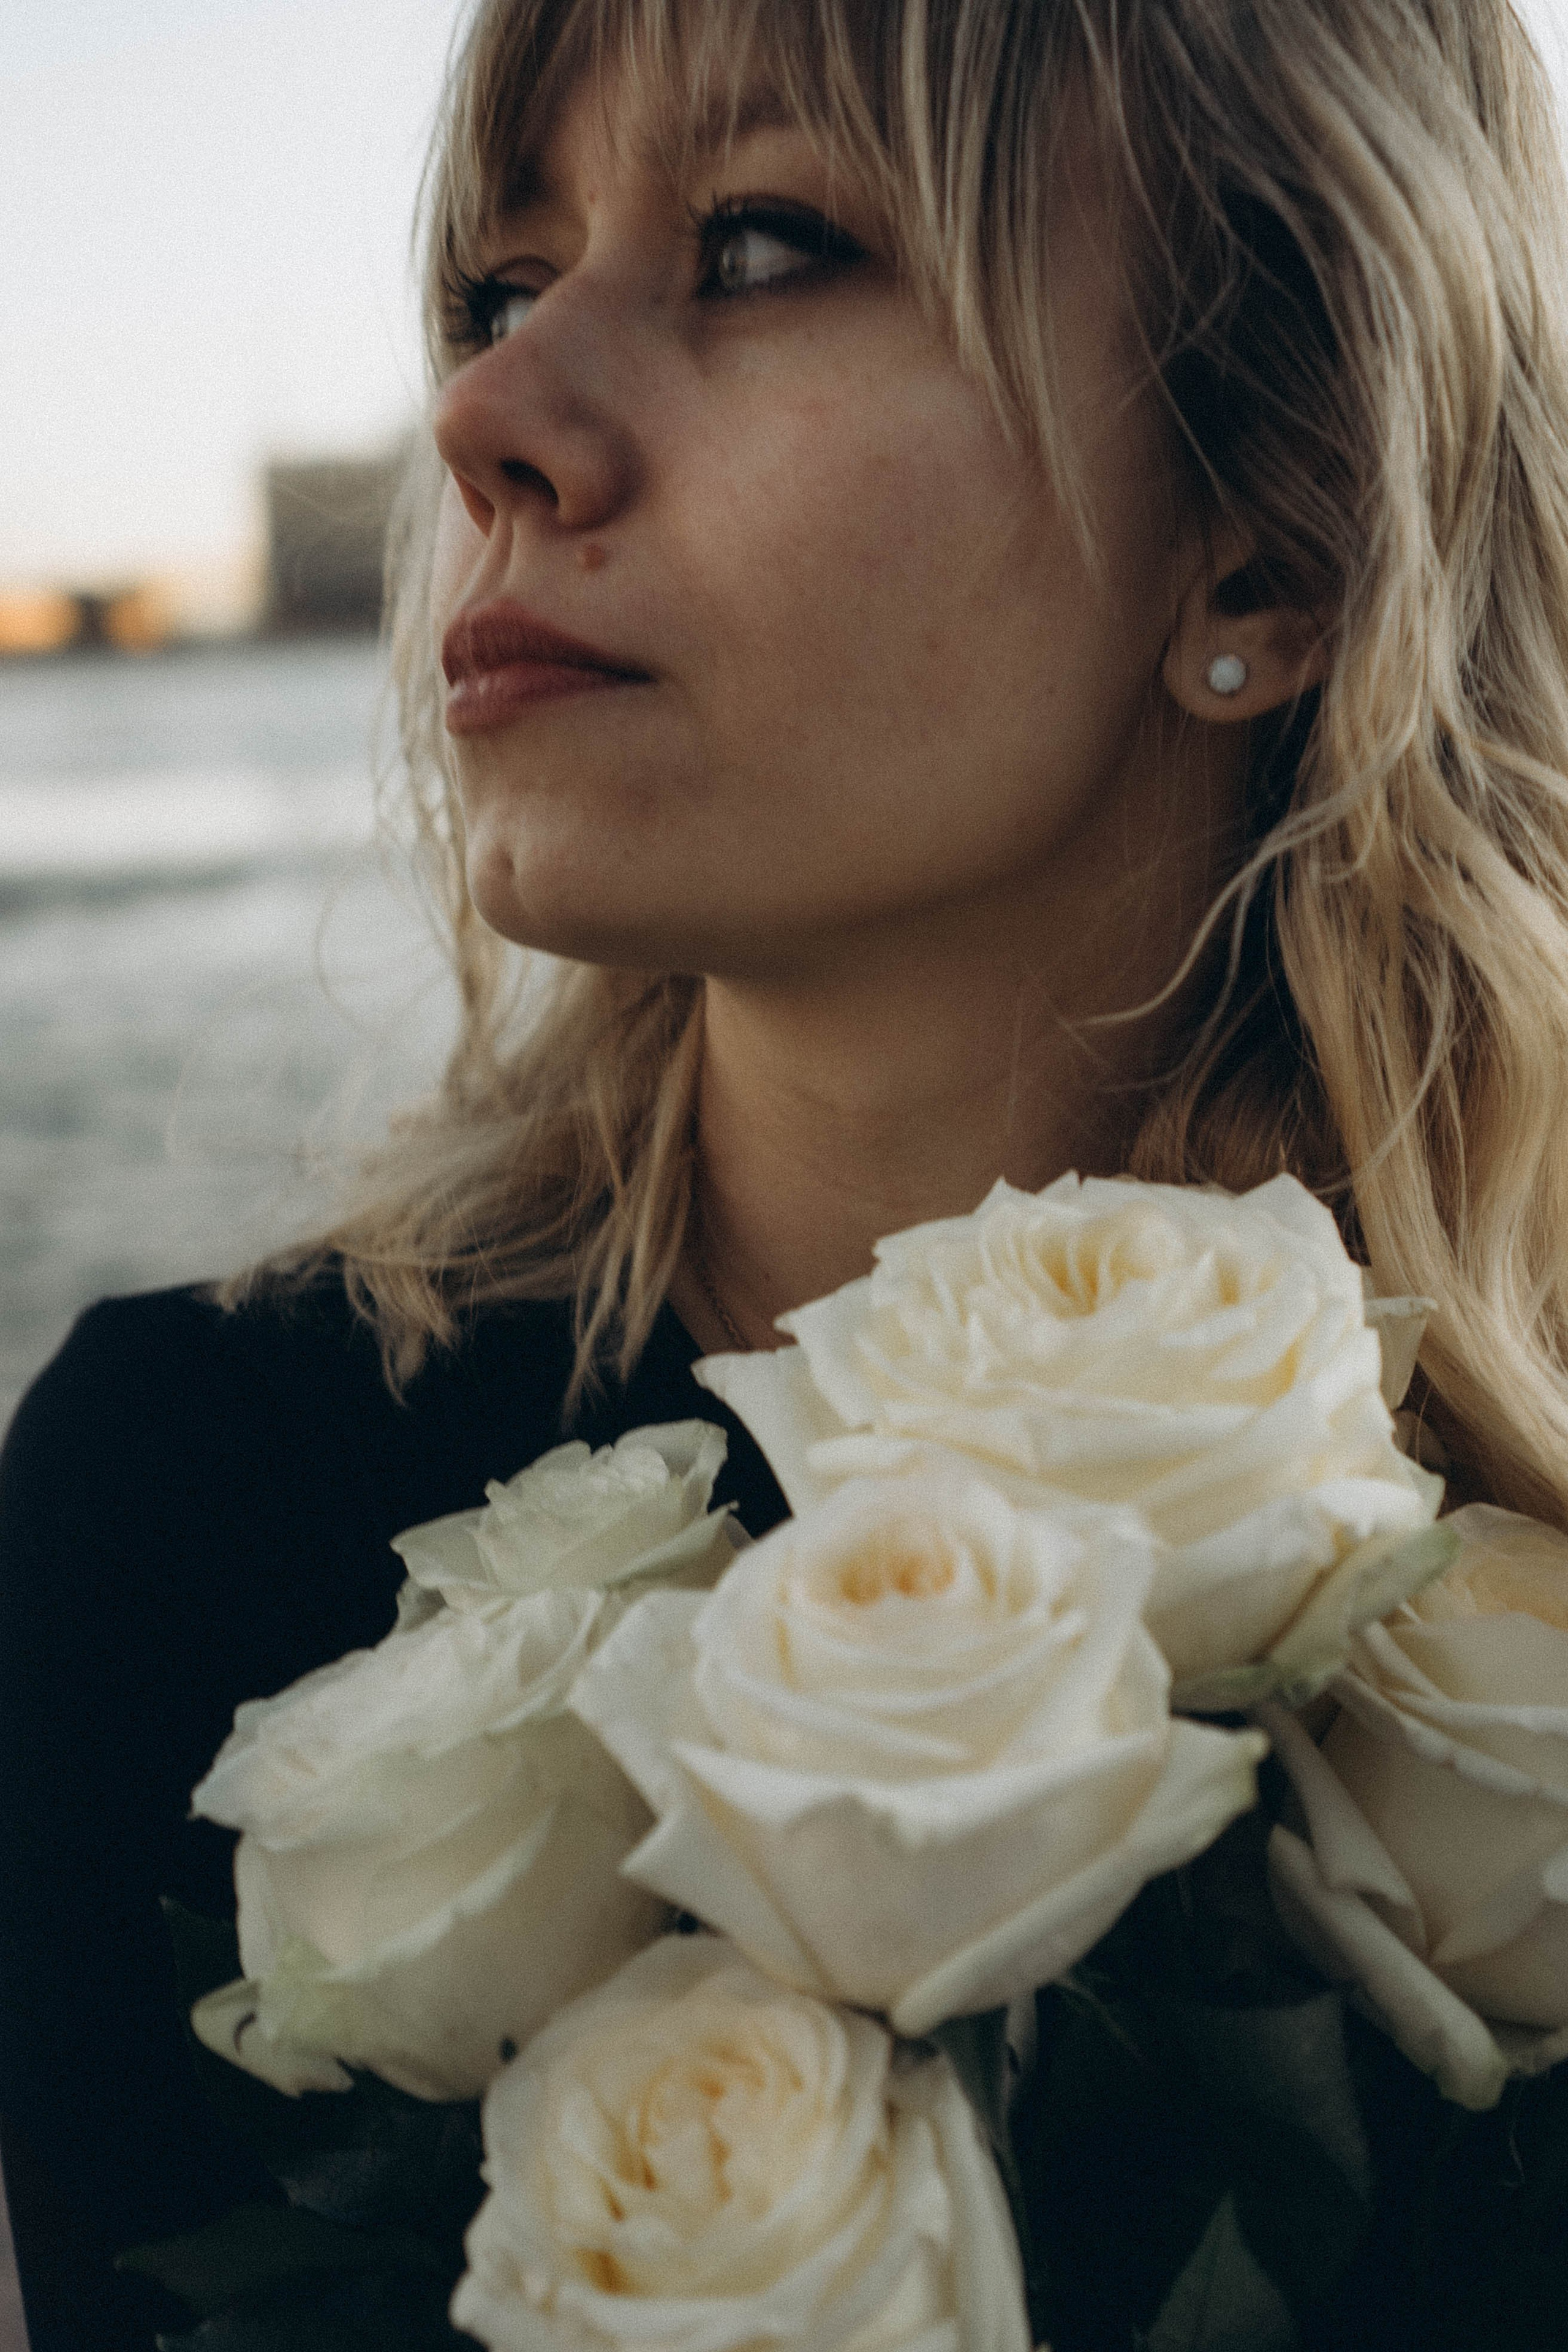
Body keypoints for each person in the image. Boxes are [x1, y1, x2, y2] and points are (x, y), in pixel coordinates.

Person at [4, 1, 1567, 2345]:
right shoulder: (188, 1512)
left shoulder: (1518, 1619)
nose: (490, 417)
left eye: (760, 245)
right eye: (499, 292)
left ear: (1274, 531)